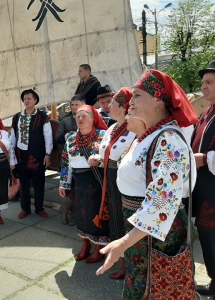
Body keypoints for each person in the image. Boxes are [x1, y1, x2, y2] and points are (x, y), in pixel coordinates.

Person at [96, 70, 198, 299]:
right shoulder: (150, 135)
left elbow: (162, 204)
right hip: (141, 231)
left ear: (158, 100)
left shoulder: (168, 139)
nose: (130, 101)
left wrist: (123, 242)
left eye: (137, 95)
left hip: (156, 236)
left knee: (156, 289)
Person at [88, 88, 135, 279]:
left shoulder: (132, 128)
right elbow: (107, 153)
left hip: (123, 181)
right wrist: (97, 159)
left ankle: (128, 264)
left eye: (112, 103)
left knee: (123, 221)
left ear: (123, 107)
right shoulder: (112, 127)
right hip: (110, 178)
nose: (106, 106)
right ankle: (120, 260)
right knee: (115, 220)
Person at [59, 105, 109, 263]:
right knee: (80, 214)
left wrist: (99, 162)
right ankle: (85, 245)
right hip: (78, 184)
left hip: (96, 182)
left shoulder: (103, 136)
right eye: (77, 116)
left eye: (84, 116)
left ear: (93, 118)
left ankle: (99, 248)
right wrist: (64, 184)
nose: (80, 119)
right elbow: (65, 162)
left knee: (96, 214)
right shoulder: (72, 139)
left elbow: (111, 159)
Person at [192, 61, 215, 296]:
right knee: (208, 237)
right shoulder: (208, 111)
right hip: (205, 187)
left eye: (209, 82)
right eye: (203, 82)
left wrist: (206, 159)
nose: (203, 86)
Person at [10, 89, 53, 219]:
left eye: (29, 98)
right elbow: (13, 137)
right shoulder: (17, 117)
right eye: (25, 99)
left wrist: (47, 154)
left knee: (39, 182)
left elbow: (48, 136)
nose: (26, 101)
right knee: (23, 183)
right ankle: (25, 208)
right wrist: (11, 155)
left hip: (38, 154)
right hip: (21, 155)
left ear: (35, 101)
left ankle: (39, 208)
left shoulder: (43, 116)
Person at [55, 94, 85, 225]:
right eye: (72, 104)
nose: (74, 107)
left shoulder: (89, 118)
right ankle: (66, 209)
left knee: (79, 187)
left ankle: (74, 213)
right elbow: (57, 138)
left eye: (76, 104)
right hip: (67, 158)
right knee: (68, 186)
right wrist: (67, 136)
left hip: (84, 159)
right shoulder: (65, 120)